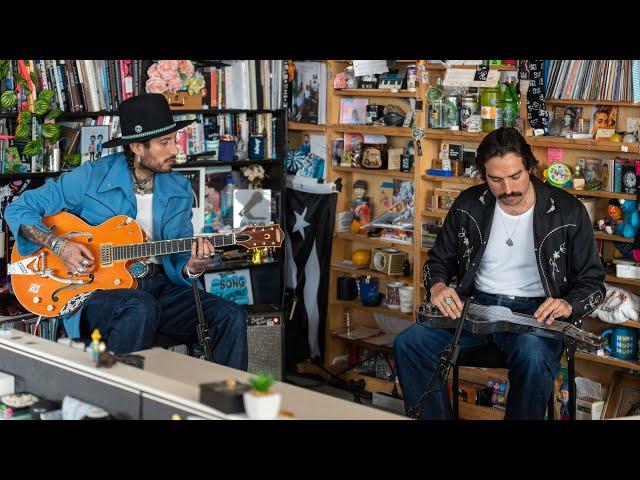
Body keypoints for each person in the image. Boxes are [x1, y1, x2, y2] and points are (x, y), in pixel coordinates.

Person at [5, 93, 248, 369]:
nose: (174, 150)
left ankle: (227, 407)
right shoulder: (91, 177)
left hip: (157, 287)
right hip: (95, 293)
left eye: (174, 140)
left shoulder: (179, 188)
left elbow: (178, 257)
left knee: (231, 315)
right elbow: (18, 209)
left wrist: (192, 266)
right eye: (164, 142)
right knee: (140, 306)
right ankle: (118, 404)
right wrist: (61, 246)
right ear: (137, 147)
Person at [393, 127, 605, 420]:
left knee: (532, 356)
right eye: (496, 179)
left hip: (537, 314)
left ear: (530, 168)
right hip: (475, 308)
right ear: (483, 175)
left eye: (515, 176)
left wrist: (567, 305)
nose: (508, 189)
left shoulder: (567, 211)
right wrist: (439, 287)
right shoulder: (469, 205)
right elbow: (438, 261)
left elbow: (593, 283)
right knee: (410, 343)